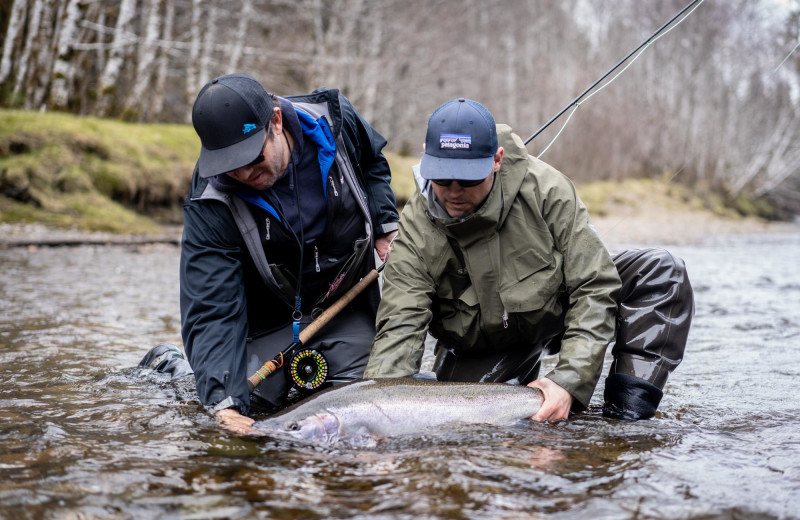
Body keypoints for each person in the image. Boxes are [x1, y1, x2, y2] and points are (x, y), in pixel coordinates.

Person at [363, 98, 694, 421]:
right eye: (442, 176)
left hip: (557, 310)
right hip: (482, 345)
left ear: (497, 159)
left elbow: (594, 285)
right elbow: (400, 327)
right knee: (467, 431)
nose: (453, 191)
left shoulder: (547, 190)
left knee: (660, 271)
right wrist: (378, 411)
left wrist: (569, 382)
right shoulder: (414, 230)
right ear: (426, 156)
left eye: (467, 178)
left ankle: (624, 421)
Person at [140, 74, 398, 434]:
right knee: (239, 407)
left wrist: (385, 226)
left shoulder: (334, 119)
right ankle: (170, 365)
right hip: (266, 322)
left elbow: (372, 164)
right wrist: (224, 404)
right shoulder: (208, 200)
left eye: (253, 156)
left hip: (344, 303)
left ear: (276, 121)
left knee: (361, 405)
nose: (245, 173)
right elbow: (212, 307)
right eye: (231, 164)